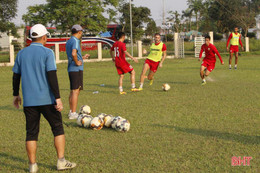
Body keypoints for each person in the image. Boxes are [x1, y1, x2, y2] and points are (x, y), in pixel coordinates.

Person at [12, 24, 76, 173]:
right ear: (44, 37)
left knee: (31, 133)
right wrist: (58, 98)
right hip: (47, 99)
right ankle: (61, 161)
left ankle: (32, 166)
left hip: (29, 102)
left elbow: (16, 76)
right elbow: (51, 76)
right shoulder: (48, 53)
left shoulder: (21, 54)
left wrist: (16, 94)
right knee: (58, 128)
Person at [66, 25, 90, 119]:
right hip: (76, 69)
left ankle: (71, 110)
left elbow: (73, 55)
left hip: (71, 68)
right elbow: (73, 53)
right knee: (75, 91)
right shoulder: (76, 41)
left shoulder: (69, 41)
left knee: (74, 90)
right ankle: (73, 113)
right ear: (79, 32)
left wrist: (82, 58)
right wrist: (77, 62)